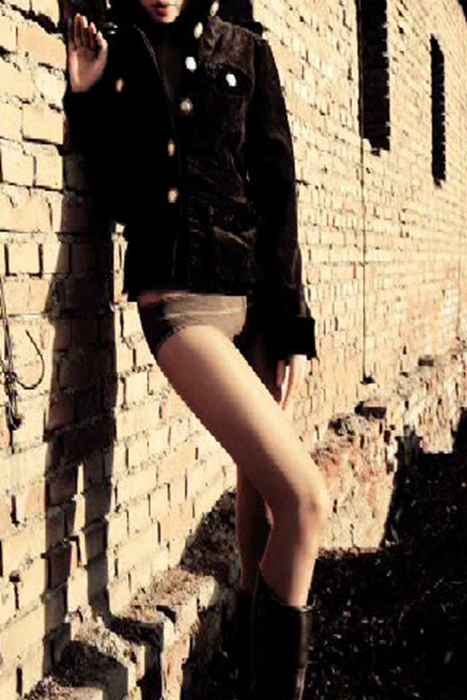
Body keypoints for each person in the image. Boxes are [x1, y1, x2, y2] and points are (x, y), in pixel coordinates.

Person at [64, 1, 331, 697]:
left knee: (265, 516)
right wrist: (89, 95)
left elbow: (278, 196)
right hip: (180, 305)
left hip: (256, 310)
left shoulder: (245, 51)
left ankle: (245, 668)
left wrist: (290, 329)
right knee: (305, 501)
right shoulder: (121, 52)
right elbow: (116, 199)